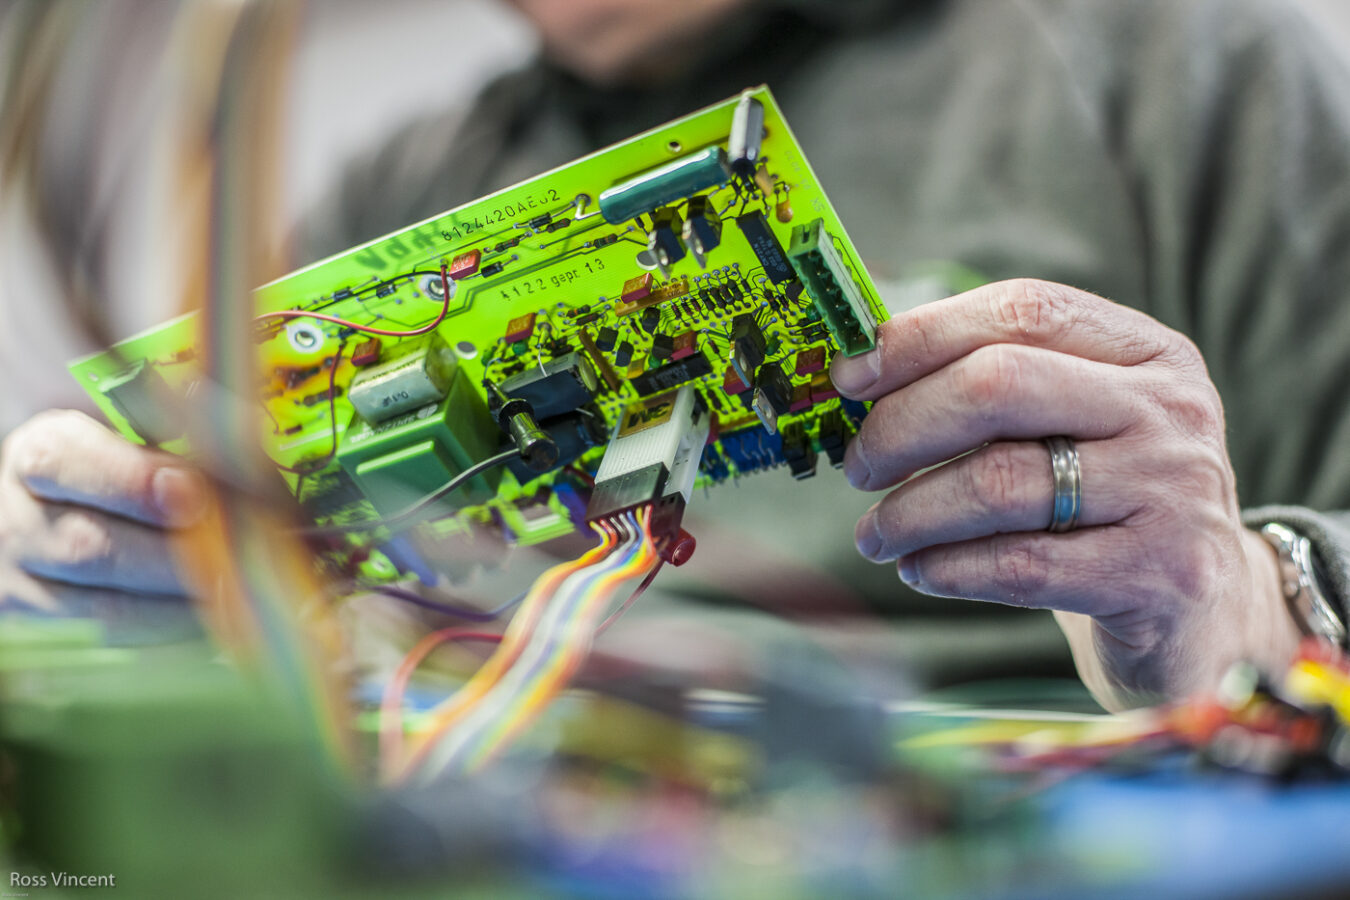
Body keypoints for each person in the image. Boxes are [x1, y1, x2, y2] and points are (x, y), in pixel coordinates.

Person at [3, 0, 1350, 711]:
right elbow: (255, 559)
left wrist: (1228, 602)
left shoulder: (1180, 61)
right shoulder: (407, 179)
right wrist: (112, 558)